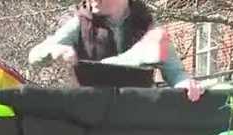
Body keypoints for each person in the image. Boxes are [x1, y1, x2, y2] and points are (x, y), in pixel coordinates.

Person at [28, 0, 203, 101]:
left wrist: (186, 84)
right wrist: (54, 51)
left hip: (137, 118)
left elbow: (176, 73)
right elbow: (34, 56)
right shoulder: (80, 23)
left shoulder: (148, 26)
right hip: (91, 120)